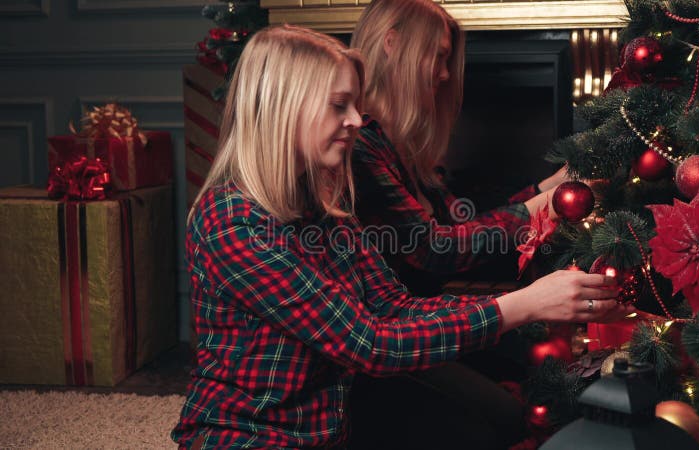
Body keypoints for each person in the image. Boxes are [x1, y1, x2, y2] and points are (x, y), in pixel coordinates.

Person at [171, 24, 633, 449]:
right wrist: (524, 304)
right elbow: (369, 344)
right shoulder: (231, 221)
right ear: (280, 110)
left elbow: (394, 307)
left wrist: (537, 308)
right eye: (338, 105)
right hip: (250, 436)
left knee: (497, 425)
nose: (356, 119)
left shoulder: (324, 210)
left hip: (329, 425)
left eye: (355, 103)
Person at [350, 0, 570, 297]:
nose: (444, 75)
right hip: (402, 329)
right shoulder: (360, 145)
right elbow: (436, 249)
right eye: (439, 57)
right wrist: (551, 204)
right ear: (392, 43)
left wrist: (550, 185)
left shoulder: (403, 146)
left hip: (429, 316)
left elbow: (462, 224)